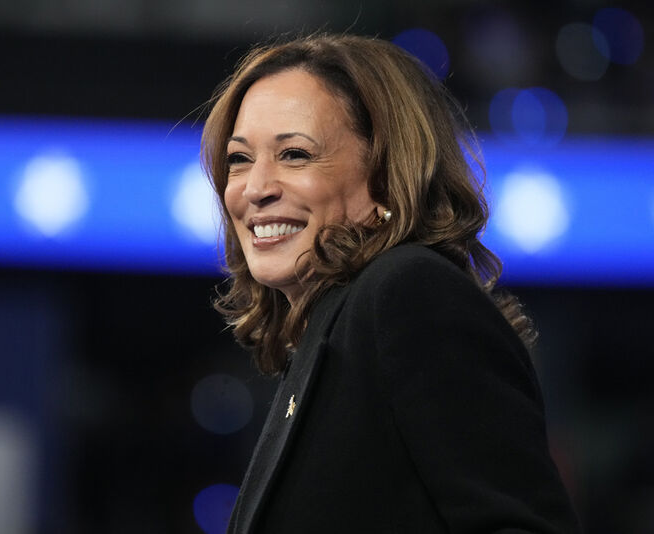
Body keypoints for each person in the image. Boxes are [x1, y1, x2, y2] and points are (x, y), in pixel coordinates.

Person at [201, 34, 580, 533]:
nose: (255, 188)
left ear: (385, 173)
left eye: (294, 154)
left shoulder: (408, 292)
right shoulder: (331, 333)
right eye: (239, 159)